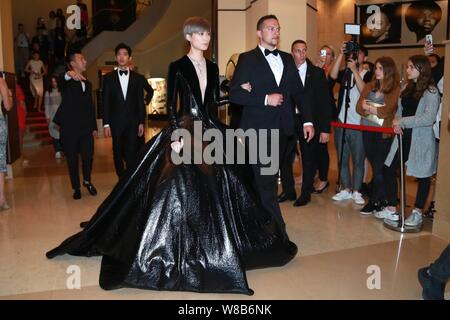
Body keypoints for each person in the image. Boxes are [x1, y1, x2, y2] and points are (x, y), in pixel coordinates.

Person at [46, 17, 297, 295]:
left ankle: (215, 245)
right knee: (174, 187)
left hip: (209, 130)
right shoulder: (177, 67)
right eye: (201, 33)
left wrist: (235, 92)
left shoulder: (213, 68)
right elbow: (173, 109)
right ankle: (175, 246)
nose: (207, 38)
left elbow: (213, 103)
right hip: (185, 130)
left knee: (226, 180)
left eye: (208, 34)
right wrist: (178, 136)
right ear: (189, 37)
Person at [230, 15, 314, 235]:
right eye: (270, 28)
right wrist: (265, 98)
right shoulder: (247, 59)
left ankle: (258, 226)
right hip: (257, 129)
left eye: (277, 28)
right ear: (259, 33)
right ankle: (277, 230)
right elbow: (235, 94)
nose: (275, 32)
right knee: (266, 181)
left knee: (266, 179)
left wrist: (307, 120)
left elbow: (299, 93)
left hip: (283, 129)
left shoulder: (287, 59)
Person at [380, 55, 440, 226]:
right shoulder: (406, 87)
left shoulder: (431, 91)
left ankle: (417, 212)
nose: (407, 70)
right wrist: (396, 123)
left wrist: (403, 122)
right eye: (407, 67)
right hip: (403, 136)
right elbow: (400, 110)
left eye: (411, 67)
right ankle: (392, 208)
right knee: (388, 168)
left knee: (423, 176)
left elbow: (428, 118)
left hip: (420, 139)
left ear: (421, 69)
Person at [283, 40, 332, 207]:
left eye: (304, 50)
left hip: (310, 121)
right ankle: (288, 190)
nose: (302, 54)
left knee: (309, 157)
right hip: (290, 120)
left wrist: (325, 129)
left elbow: (325, 102)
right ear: (292, 53)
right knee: (285, 156)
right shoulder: (286, 72)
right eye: (298, 51)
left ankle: (305, 193)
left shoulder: (317, 73)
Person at [356, 57, 400, 215]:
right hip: (367, 130)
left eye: (380, 68)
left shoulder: (394, 88)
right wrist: (368, 108)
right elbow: (359, 107)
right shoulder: (370, 85)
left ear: (388, 70)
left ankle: (376, 200)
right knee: (375, 167)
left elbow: (387, 111)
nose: (377, 71)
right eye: (376, 68)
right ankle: (380, 199)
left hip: (383, 134)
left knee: (379, 168)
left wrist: (370, 108)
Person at [329, 42, 372, 205]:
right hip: (342, 122)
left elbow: (365, 92)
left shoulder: (369, 74)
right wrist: (340, 54)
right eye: (353, 53)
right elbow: (332, 76)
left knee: (358, 159)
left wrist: (355, 70)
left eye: (358, 53)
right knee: (342, 158)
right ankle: (346, 188)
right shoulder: (345, 73)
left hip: (359, 123)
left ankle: (357, 190)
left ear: (365, 57)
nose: (355, 56)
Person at [53, 50, 98, 200]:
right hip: (69, 128)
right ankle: (76, 187)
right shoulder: (66, 81)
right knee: (72, 159)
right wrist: (68, 74)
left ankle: (87, 181)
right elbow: (60, 80)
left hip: (86, 128)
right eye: (81, 59)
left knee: (88, 156)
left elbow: (91, 107)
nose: (85, 61)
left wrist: (94, 127)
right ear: (73, 64)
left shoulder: (88, 83)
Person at [102, 43, 146, 178]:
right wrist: (106, 123)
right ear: (116, 57)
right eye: (119, 54)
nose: (122, 57)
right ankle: (121, 178)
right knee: (117, 151)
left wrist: (141, 122)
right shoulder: (108, 78)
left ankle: (130, 180)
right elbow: (106, 102)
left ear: (130, 58)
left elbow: (140, 101)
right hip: (116, 122)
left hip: (133, 122)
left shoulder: (137, 78)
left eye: (125, 54)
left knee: (131, 151)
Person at [0, 75, 13, 211]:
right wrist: (10, 96)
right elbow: (7, 106)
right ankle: (1, 199)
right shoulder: (0, 81)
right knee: (0, 161)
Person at [45, 76, 63, 159]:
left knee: (62, 133)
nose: (54, 83)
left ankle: (63, 149)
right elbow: (46, 105)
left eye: (55, 81)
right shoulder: (48, 92)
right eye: (52, 82)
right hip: (52, 116)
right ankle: (57, 151)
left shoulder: (62, 91)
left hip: (62, 116)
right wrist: (47, 117)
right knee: (54, 134)